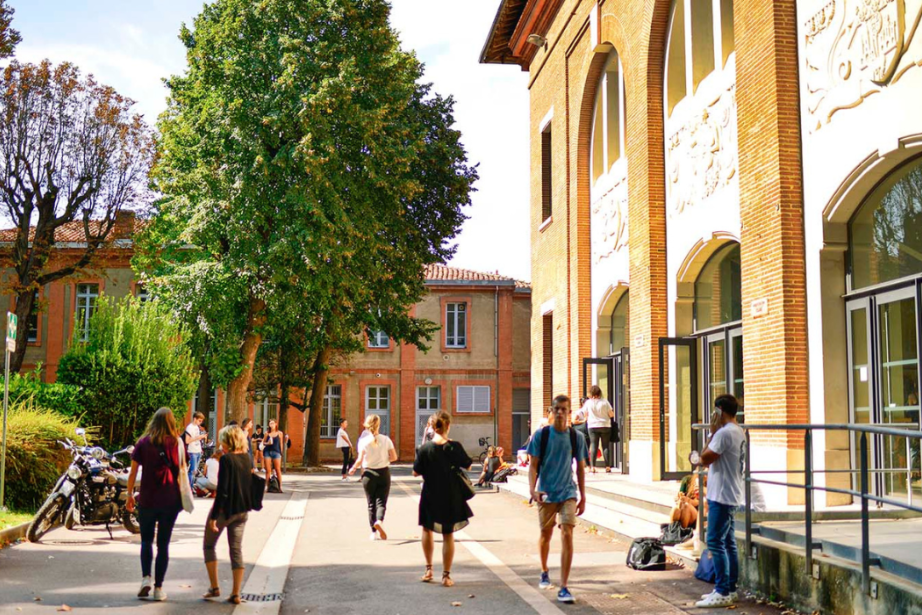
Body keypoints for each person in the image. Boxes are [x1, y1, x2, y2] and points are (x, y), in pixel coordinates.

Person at [527, 394, 588, 604]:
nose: (560, 412)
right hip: (546, 492)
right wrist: (532, 489)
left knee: (567, 533)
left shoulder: (576, 437)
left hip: (568, 492)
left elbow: (580, 468)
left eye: (564, 409)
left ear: (570, 412)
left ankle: (564, 586)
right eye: (556, 409)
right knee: (545, 534)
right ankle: (544, 571)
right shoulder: (541, 435)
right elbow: (533, 465)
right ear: (551, 412)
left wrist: (583, 496)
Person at [126, 407, 184, 602]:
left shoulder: (143, 443)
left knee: (146, 540)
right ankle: (159, 588)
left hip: (147, 499)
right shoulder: (176, 443)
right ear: (171, 422)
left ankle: (145, 579)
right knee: (163, 544)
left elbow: (133, 473)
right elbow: (182, 470)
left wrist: (129, 495)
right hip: (170, 500)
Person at [695, 394, 745, 608]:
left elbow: (705, 458)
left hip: (722, 495)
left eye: (715, 411)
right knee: (728, 542)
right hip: (732, 492)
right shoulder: (738, 431)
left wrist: (712, 432)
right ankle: (730, 588)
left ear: (720, 411)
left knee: (715, 540)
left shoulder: (724, 433)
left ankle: (723, 589)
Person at [413, 411, 473, 587]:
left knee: (427, 530)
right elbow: (468, 464)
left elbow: (416, 472)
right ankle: (446, 576)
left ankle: (428, 569)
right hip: (451, 494)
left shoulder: (424, 449)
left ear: (431, 427)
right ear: (448, 426)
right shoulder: (455, 447)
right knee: (448, 534)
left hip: (430, 493)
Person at [202, 425, 254, 605]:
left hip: (225, 510)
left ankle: (215, 587)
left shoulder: (226, 460)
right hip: (242, 511)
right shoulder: (246, 458)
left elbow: (222, 490)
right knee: (236, 549)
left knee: (209, 545)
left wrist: (214, 516)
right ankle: (236, 593)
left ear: (228, 440)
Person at [349, 415, 397, 540]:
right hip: (383, 473)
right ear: (379, 425)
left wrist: (353, 468)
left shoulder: (363, 441)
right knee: (381, 502)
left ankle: (373, 533)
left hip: (368, 474)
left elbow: (359, 460)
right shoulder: (386, 440)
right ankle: (379, 521)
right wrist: (385, 459)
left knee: (371, 504)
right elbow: (394, 457)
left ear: (366, 425)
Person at [580, 386, 614, 473]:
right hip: (605, 425)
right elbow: (611, 414)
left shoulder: (588, 403)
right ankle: (607, 466)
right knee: (605, 446)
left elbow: (584, 413)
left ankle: (593, 467)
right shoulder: (605, 402)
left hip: (592, 426)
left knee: (594, 446)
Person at [184, 412, 208, 487]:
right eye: (199, 421)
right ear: (195, 419)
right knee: (193, 471)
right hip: (192, 451)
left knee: (195, 471)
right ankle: (189, 487)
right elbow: (187, 441)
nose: (200, 423)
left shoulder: (197, 427)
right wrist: (198, 437)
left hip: (197, 450)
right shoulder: (190, 427)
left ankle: (191, 486)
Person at [262, 418, 284, 493]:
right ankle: (267, 487)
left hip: (276, 452)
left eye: (272, 423)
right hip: (267, 452)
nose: (271, 425)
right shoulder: (266, 433)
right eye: (270, 423)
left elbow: (280, 444)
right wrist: (267, 443)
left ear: (276, 424)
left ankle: (280, 487)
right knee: (268, 470)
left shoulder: (279, 433)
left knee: (278, 470)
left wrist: (281, 453)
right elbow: (263, 443)